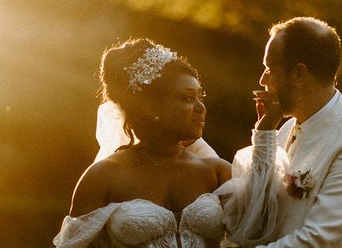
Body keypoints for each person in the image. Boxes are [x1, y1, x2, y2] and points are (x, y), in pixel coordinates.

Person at [220, 17, 342, 247]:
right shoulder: (286, 128)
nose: (262, 80)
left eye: (269, 69)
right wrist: (264, 135)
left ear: (299, 74)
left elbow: (318, 239)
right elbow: (259, 216)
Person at [53, 38, 232, 248]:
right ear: (150, 107)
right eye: (186, 98)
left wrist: (265, 129)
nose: (201, 107)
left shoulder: (216, 171)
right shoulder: (103, 177)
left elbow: (261, 231)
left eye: (199, 97)